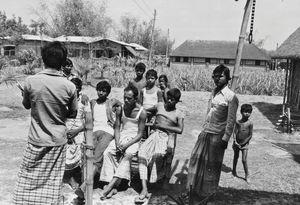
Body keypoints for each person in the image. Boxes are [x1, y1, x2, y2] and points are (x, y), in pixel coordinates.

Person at [13, 41, 78, 205]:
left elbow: (27, 105)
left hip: (36, 140)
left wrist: (27, 95)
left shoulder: (30, 81)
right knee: (53, 181)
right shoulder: (70, 86)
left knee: (28, 180)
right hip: (57, 141)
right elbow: (72, 113)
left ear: (43, 59)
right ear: (63, 62)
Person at [186, 64, 239, 203]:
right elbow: (209, 113)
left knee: (211, 167)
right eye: (214, 76)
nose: (217, 79)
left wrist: (225, 139)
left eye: (220, 76)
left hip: (217, 136)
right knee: (196, 161)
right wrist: (203, 129)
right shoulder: (214, 92)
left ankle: (208, 195)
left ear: (227, 78)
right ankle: (193, 191)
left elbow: (231, 120)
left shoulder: (231, 97)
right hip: (206, 132)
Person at [135, 88, 184, 204]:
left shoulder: (178, 113)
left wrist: (163, 126)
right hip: (154, 135)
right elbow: (145, 111)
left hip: (166, 137)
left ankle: (155, 182)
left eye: (172, 100)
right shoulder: (159, 106)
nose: (169, 101)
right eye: (168, 98)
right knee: (142, 153)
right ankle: (144, 188)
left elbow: (180, 129)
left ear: (177, 101)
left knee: (158, 156)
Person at [74, 80, 120, 200]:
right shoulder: (93, 102)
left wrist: (115, 103)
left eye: (104, 91)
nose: (101, 93)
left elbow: (121, 105)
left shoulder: (111, 103)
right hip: (94, 131)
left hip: (107, 132)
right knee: (88, 156)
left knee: (97, 157)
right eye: (99, 90)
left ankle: (84, 186)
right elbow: (84, 106)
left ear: (108, 92)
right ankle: (86, 183)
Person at [99, 83, 147, 200]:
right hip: (121, 137)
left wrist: (125, 145)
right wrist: (117, 143)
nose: (126, 100)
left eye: (129, 98)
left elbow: (140, 134)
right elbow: (117, 127)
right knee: (108, 152)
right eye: (124, 97)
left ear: (135, 98)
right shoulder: (121, 108)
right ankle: (113, 184)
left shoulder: (142, 113)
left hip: (133, 140)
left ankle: (110, 185)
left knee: (128, 155)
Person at [64, 77, 90, 189]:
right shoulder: (63, 98)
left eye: (77, 88)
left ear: (80, 88)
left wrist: (77, 130)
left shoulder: (84, 99)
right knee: (65, 151)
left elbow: (89, 120)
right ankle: (69, 178)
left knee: (79, 150)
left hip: (80, 128)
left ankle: (77, 177)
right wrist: (67, 131)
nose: (74, 91)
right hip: (65, 128)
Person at [232, 104, 253, 182]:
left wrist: (244, 142)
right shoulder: (237, 122)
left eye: (249, 112)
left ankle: (247, 175)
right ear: (241, 112)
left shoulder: (250, 123)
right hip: (237, 144)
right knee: (235, 157)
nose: (247, 113)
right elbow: (234, 132)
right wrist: (235, 141)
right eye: (245, 112)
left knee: (244, 160)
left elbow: (250, 135)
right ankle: (234, 171)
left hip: (245, 145)